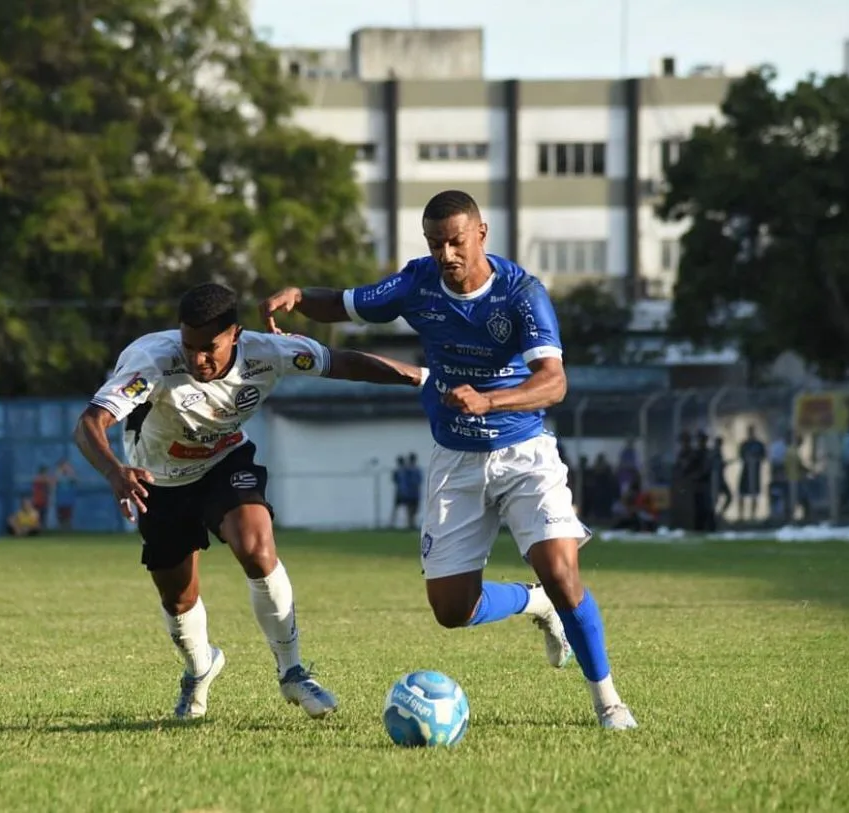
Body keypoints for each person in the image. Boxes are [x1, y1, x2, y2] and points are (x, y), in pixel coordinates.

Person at [260, 189, 636, 730]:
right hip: (456, 459)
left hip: (523, 452)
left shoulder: (521, 293)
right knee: (451, 610)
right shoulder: (417, 283)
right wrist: (299, 296)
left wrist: (489, 400)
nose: (446, 255)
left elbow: (553, 384)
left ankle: (608, 702)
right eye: (435, 243)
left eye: (455, 241)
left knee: (560, 570)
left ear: (481, 234)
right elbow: (345, 302)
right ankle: (536, 605)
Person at [73, 282, 425, 720]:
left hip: (225, 462)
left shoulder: (269, 352)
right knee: (178, 599)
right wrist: (114, 471)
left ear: (236, 335)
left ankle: (292, 671)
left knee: (256, 548)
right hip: (157, 482)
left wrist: (422, 377)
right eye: (189, 345)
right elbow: (90, 423)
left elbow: (344, 362)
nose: (197, 358)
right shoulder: (152, 361)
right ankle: (200, 668)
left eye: (209, 348)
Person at [737, 427, 767, 521]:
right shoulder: (744, 444)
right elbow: (741, 456)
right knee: (741, 493)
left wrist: (756, 459)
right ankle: (741, 516)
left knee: (755, 493)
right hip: (746, 471)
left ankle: (753, 515)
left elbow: (763, 456)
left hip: (755, 472)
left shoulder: (759, 444)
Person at [54, 460, 78, 531]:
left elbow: (76, 481)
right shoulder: (58, 474)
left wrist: (70, 472)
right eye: (63, 466)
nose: (65, 467)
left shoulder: (71, 475)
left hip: (69, 500)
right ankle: (61, 530)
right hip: (60, 500)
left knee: (68, 516)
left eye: (66, 466)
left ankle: (68, 529)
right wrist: (59, 471)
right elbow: (54, 483)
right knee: (60, 517)